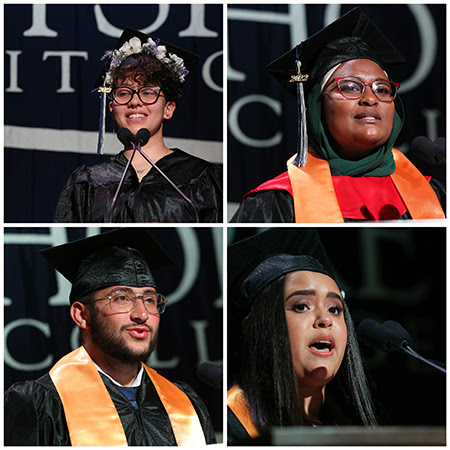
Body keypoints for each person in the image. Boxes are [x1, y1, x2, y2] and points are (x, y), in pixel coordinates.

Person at [4, 228, 216, 446]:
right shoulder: (42, 405)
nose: (142, 314)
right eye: (122, 298)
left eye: (150, 300)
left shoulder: (185, 403)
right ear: (82, 315)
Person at [230, 8, 445, 222]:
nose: (371, 98)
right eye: (351, 87)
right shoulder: (276, 203)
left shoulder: (434, 194)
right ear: (317, 106)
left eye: (382, 89)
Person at [54, 28, 222, 223]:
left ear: (168, 108)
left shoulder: (201, 177)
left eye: (148, 92)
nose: (135, 102)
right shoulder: (88, 183)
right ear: (111, 107)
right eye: (124, 93)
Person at [227, 228, 377, 445]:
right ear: (253, 327)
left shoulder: (353, 429)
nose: (325, 319)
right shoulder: (232, 426)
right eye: (301, 306)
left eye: (335, 309)